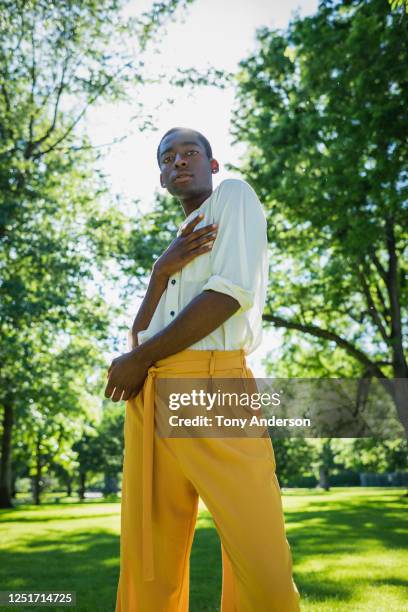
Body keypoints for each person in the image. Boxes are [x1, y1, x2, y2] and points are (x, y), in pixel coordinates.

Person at [105, 127, 301, 611]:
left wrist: (140, 359)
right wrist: (159, 272)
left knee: (260, 555)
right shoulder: (176, 243)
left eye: (190, 152)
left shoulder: (233, 196)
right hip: (149, 396)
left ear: (212, 165)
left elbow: (228, 297)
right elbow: (140, 335)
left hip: (213, 388)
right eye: (167, 157)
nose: (178, 161)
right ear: (161, 177)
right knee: (148, 559)